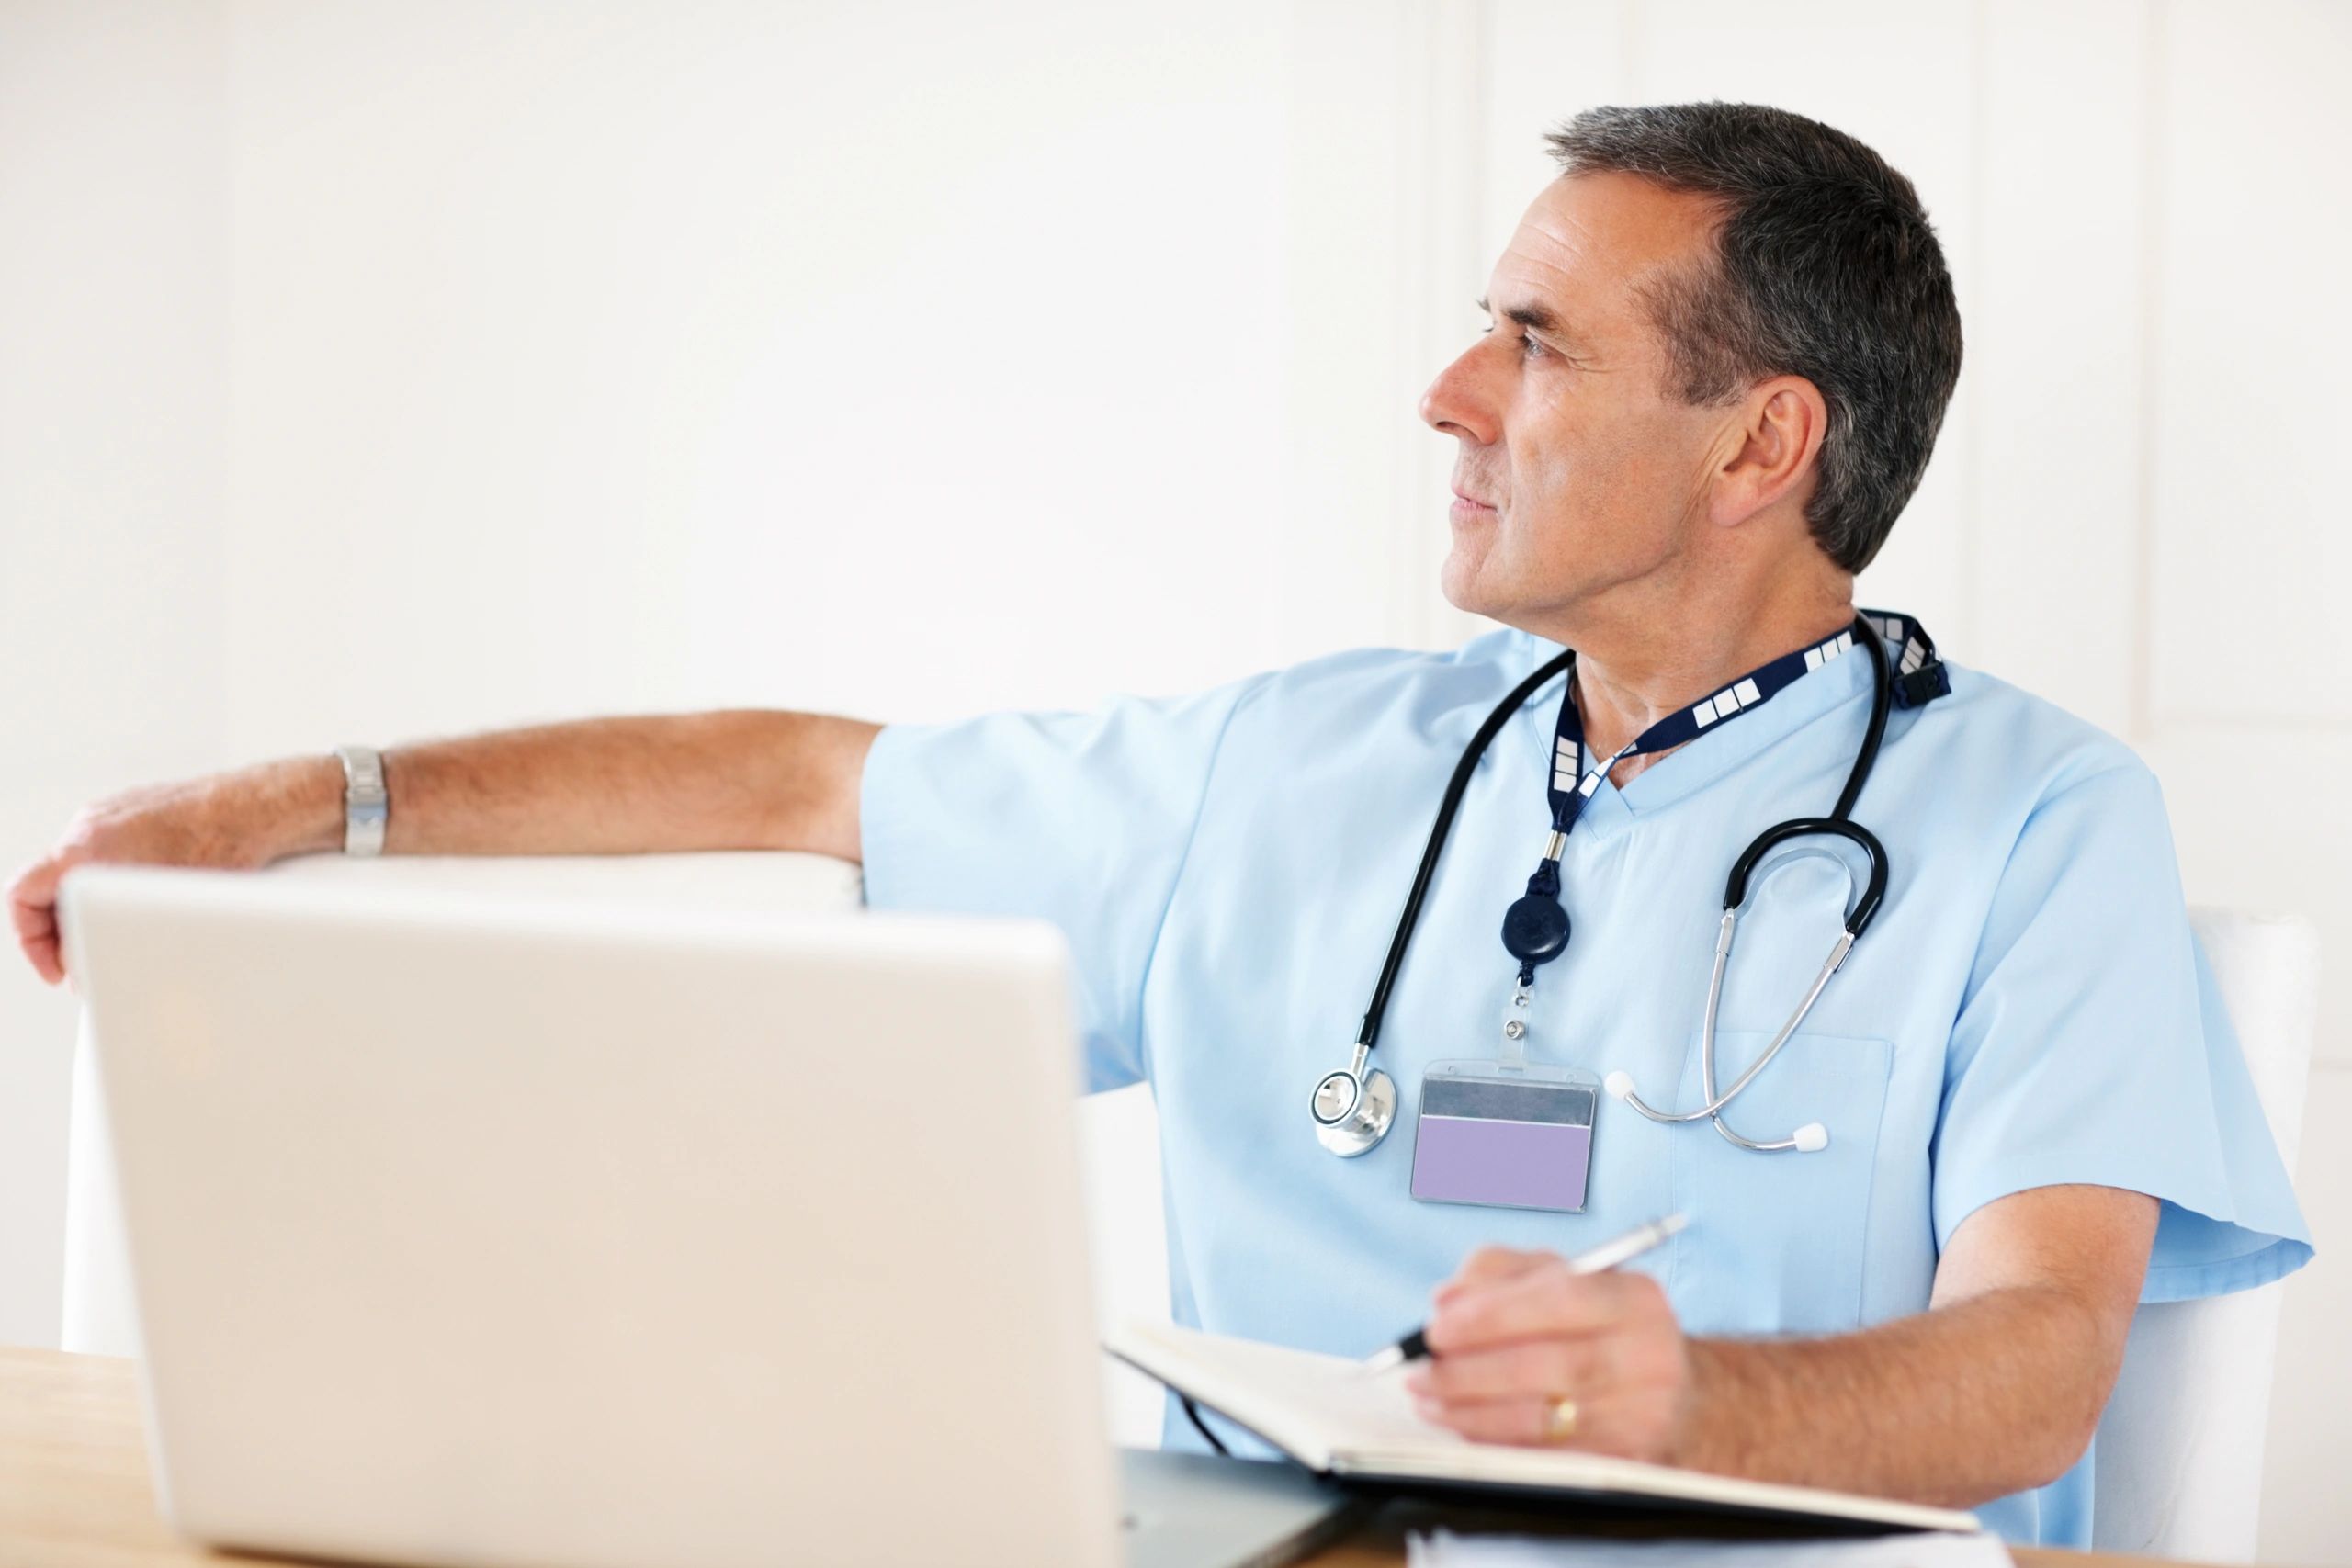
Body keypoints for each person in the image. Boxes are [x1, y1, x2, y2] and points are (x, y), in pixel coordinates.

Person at [7, 102, 2309, 1546]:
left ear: (1755, 443)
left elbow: (2037, 1360)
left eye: (1533, 340)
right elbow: (814, 773)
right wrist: (296, 806)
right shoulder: (1302, 761)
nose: (1446, 390)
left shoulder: (2030, 821)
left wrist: (1686, 1400)